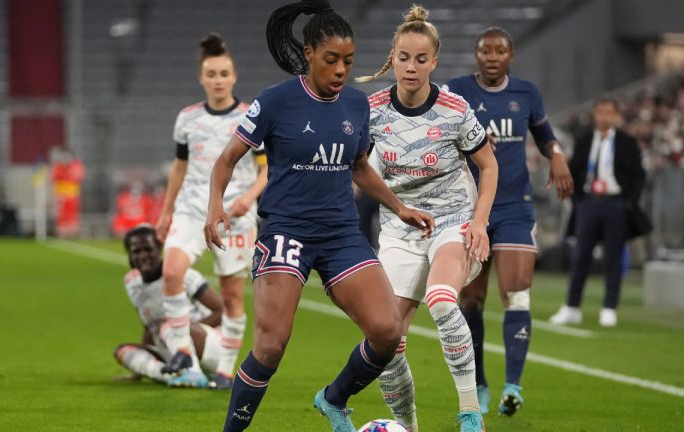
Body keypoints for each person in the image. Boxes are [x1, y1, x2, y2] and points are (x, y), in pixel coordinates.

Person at [203, 1, 433, 430]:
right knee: (270, 348)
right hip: (286, 232)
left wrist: (400, 207)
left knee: (387, 334)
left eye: (348, 61)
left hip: (341, 233)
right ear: (309, 54)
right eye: (331, 60)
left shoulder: (356, 106)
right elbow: (227, 159)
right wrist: (215, 204)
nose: (342, 70)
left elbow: (360, 166)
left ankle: (334, 399)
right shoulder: (275, 101)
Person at [356, 6, 498, 431]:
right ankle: (408, 427)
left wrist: (479, 223)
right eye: (404, 57)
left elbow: (489, 167)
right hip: (400, 229)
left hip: (453, 220)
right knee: (385, 339)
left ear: (434, 61)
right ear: (392, 57)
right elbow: (359, 168)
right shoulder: (373, 110)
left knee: (441, 298)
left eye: (421, 59)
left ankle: (471, 414)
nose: (412, 67)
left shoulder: (456, 110)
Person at [443, 27, 573, 416]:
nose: (493, 56)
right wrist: (469, 141)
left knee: (517, 295)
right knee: (471, 299)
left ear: (511, 56)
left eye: (500, 50)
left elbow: (545, 133)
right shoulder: (455, 90)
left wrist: (556, 153)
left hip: (515, 206)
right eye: (486, 50)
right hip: (470, 207)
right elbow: (440, 133)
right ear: (477, 55)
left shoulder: (527, 93)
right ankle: (480, 385)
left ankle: (512, 387)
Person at [155, 33, 268, 389]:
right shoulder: (187, 119)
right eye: (212, 74)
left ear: (233, 77)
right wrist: (165, 211)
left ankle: (224, 371)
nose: (218, 80)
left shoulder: (251, 116)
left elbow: (268, 168)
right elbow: (179, 167)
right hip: (191, 210)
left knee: (232, 295)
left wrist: (249, 197)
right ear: (201, 78)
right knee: (172, 273)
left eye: (224, 73)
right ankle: (184, 353)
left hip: (235, 217)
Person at [549, 97, 645, 327]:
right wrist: (579, 201)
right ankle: (572, 307)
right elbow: (573, 171)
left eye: (608, 112)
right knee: (580, 256)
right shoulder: (584, 141)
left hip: (616, 203)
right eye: (600, 112)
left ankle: (609, 307)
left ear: (616, 115)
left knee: (613, 257)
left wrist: (627, 202)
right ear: (594, 115)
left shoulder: (626, 142)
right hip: (588, 203)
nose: (603, 116)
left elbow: (638, 176)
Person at [114, 224, 226, 386]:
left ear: (160, 249)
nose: (143, 256)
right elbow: (149, 326)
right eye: (136, 251)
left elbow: (223, 310)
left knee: (171, 325)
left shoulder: (179, 274)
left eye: (148, 249)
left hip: (208, 346)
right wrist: (139, 368)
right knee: (123, 351)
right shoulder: (132, 282)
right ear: (129, 255)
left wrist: (182, 333)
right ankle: (167, 376)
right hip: (169, 346)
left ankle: (193, 373)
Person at [51, 147, 85, 237]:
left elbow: (79, 177)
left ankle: (73, 232)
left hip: (73, 196)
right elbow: (55, 178)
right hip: (61, 196)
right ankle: (62, 233)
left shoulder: (77, 166)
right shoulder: (57, 167)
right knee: (62, 216)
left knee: (73, 215)